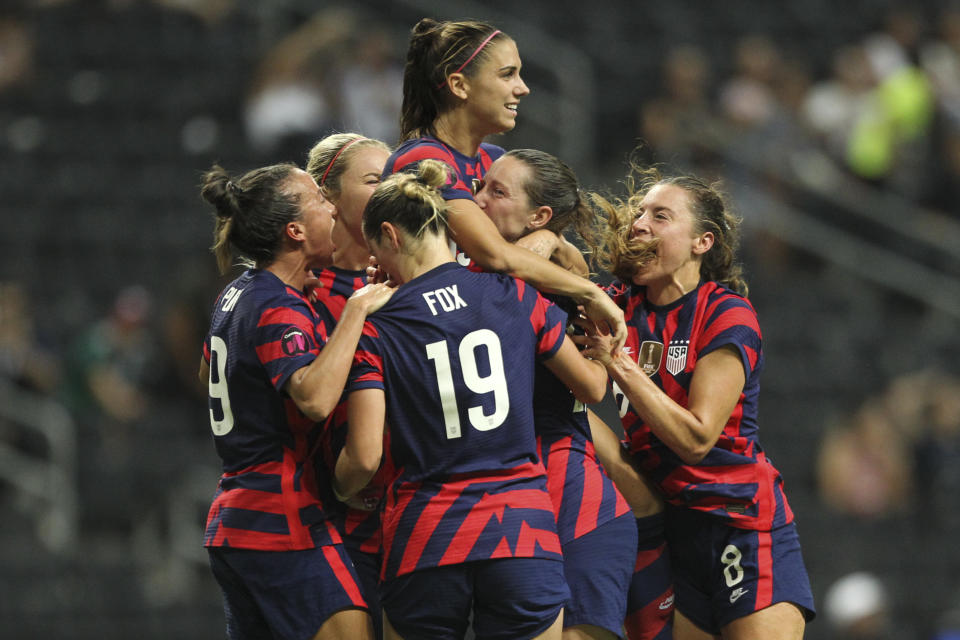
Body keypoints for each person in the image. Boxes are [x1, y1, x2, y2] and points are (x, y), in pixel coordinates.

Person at [334, 159, 609, 640]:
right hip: (522, 531)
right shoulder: (517, 294)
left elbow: (364, 456)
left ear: (390, 236)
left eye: (377, 252)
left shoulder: (377, 327)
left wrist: (339, 488)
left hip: (427, 538)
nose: (378, 269)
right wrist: (605, 355)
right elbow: (591, 387)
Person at [573, 165, 816, 639]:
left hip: (739, 522)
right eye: (639, 213)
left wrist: (618, 362)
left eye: (660, 216)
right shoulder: (617, 304)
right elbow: (550, 290)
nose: (639, 223)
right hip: (670, 533)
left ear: (701, 242)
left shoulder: (725, 312)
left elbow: (697, 438)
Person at [197, 161, 394, 640]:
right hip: (280, 513)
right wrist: (356, 309)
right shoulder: (277, 304)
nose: (331, 208)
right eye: (320, 202)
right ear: (296, 231)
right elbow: (315, 398)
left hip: (235, 513)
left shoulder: (237, 294)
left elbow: (207, 372)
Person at [475, 148, 645, 640]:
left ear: (539, 215)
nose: (476, 199)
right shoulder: (467, 272)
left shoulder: (561, 289)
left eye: (497, 192)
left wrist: (556, 256)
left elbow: (593, 386)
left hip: (574, 507)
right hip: (505, 504)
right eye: (481, 185)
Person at [380, 17, 625, 352]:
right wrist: (591, 292)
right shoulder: (423, 159)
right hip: (429, 349)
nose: (522, 88)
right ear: (460, 85)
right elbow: (495, 256)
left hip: (485, 345)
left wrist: (549, 238)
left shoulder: (494, 161)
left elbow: (574, 267)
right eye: (507, 74)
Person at [305, 132, 392, 639]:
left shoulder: (410, 280)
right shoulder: (297, 292)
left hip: (405, 518)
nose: (388, 191)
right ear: (326, 196)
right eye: (373, 179)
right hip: (331, 519)